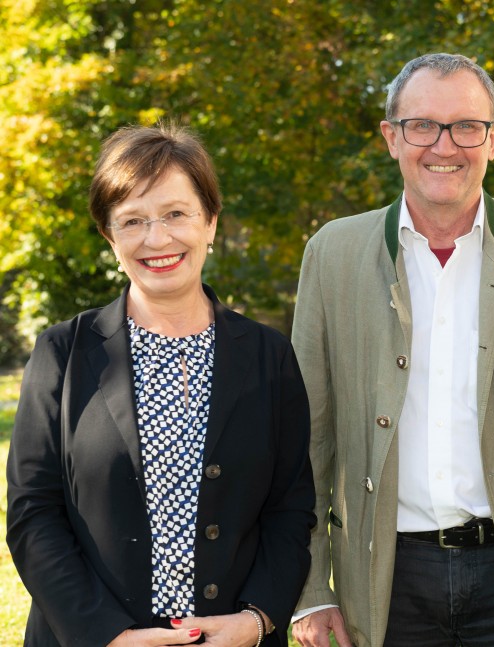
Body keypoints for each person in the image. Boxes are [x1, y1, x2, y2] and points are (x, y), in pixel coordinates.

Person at [290, 53, 494, 647]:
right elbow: (306, 444)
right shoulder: (331, 256)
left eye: (467, 126)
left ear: (493, 139)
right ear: (391, 137)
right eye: (423, 125)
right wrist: (312, 587)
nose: (444, 144)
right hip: (384, 577)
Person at [6, 122, 316, 647]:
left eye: (176, 214)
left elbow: (290, 511)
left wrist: (257, 620)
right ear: (110, 237)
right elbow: (33, 515)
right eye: (132, 221)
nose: (158, 239)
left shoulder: (268, 356)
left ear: (211, 222)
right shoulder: (62, 353)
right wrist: (107, 635)